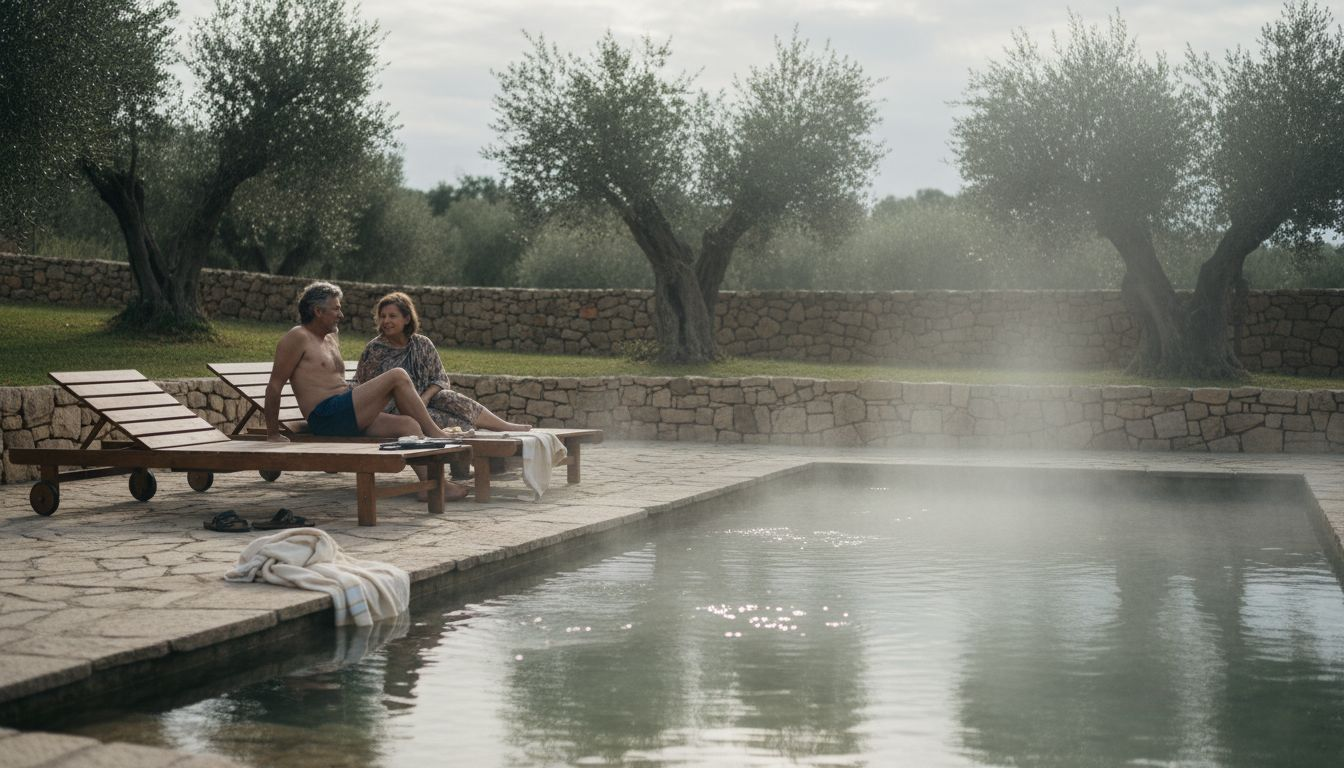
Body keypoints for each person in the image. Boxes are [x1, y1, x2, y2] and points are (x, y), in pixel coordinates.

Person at [264, 282, 469, 499]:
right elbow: (275, 385)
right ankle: (436, 433)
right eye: (336, 309)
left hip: (346, 412)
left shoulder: (332, 336)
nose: (341, 314)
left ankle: (434, 486)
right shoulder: (297, 337)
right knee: (397, 376)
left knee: (408, 424)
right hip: (325, 416)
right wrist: (272, 434)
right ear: (317, 311)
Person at [356, 291, 532, 433]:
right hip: (394, 411)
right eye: (383, 316)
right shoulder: (375, 350)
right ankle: (463, 465)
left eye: (392, 316)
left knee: (448, 396)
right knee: (460, 425)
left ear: (407, 319)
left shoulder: (422, 344)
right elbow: (367, 391)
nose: (386, 321)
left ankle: (505, 427)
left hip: (424, 403)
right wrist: (414, 403)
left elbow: (440, 379)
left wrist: (424, 398)